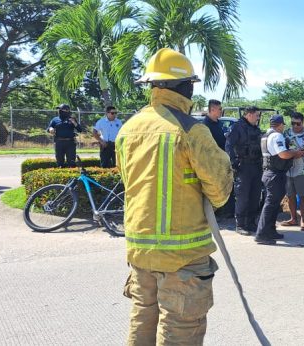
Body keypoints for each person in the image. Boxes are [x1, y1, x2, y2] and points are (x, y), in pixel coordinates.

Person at [115, 48, 233, 345]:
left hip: (140, 253)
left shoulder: (128, 130)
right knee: (180, 331)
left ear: (153, 86)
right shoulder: (192, 130)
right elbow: (220, 190)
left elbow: (128, 181)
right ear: (186, 86)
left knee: (142, 321)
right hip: (183, 259)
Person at [255, 115, 304, 245]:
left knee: (272, 205)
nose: (284, 127)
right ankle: (262, 234)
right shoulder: (277, 136)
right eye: (283, 125)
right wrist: (295, 153)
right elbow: (283, 154)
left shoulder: (266, 135)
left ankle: (270, 231)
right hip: (275, 174)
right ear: (280, 125)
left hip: (269, 173)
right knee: (271, 205)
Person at [225, 106, 263, 235]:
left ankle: (251, 223)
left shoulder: (255, 128)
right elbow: (229, 145)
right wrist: (233, 163)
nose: (258, 118)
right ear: (249, 114)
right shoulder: (237, 127)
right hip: (243, 166)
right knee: (243, 196)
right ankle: (240, 225)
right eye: (256, 115)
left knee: (255, 195)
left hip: (256, 166)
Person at [280, 112, 304, 231]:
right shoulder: (286, 133)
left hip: (303, 169)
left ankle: (303, 220)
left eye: (298, 123)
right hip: (288, 169)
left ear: (303, 122)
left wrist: (300, 154)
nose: (295, 126)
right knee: (290, 195)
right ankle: (293, 218)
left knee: (302, 196)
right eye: (293, 123)